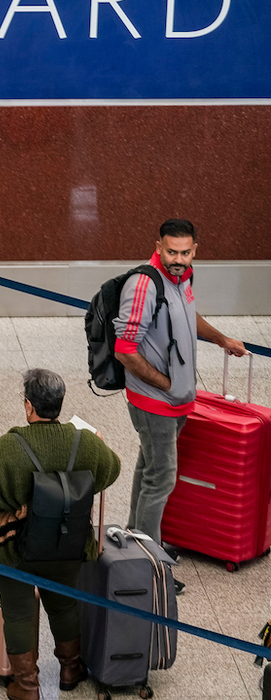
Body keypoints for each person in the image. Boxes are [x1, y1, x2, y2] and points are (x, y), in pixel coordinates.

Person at [0, 369, 122, 700]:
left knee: (18, 613)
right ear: (59, 405)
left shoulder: (10, 446)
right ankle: (70, 668)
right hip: (68, 544)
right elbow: (112, 470)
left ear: (29, 406)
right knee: (64, 606)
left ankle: (27, 685)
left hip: (14, 552)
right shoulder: (86, 442)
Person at [115, 218, 246, 576]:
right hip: (154, 401)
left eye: (186, 252)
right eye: (172, 251)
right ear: (158, 246)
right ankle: (147, 563)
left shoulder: (182, 277)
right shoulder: (143, 285)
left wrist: (222, 339)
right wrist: (165, 384)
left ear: (195, 250)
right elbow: (124, 349)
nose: (179, 258)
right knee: (163, 478)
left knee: (149, 469)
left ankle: (135, 539)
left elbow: (188, 315)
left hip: (178, 400)